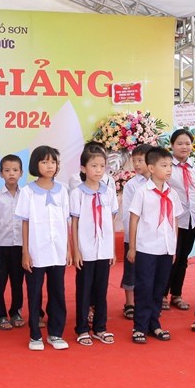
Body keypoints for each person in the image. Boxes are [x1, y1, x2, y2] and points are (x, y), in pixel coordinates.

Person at [17, 144, 71, 351]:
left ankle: (56, 333)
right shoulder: (28, 192)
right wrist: (25, 252)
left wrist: (68, 248)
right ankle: (35, 335)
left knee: (58, 291)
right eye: (44, 161)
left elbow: (65, 221)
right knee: (34, 292)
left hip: (57, 250)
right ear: (35, 164)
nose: (50, 166)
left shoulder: (63, 190)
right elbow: (25, 223)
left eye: (53, 162)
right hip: (36, 251)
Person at [129, 146, 182, 343]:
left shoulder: (172, 193)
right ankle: (140, 326)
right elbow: (134, 219)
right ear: (151, 168)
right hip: (146, 248)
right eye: (164, 165)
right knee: (144, 287)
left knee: (159, 288)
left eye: (170, 166)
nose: (168, 169)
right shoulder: (142, 192)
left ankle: (154, 324)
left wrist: (173, 247)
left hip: (166, 249)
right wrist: (132, 247)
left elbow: (174, 221)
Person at [70, 144, 117, 345]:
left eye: (102, 166)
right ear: (83, 168)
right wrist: (76, 250)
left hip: (104, 249)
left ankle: (100, 327)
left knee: (101, 290)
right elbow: (74, 223)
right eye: (94, 166)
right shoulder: (77, 193)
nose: (98, 170)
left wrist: (112, 249)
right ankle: (82, 328)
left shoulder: (109, 192)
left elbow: (111, 222)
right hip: (86, 249)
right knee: (84, 290)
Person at [164, 129, 195, 311]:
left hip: (191, 220)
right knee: (169, 258)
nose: (184, 147)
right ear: (172, 145)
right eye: (180, 143)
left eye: (188, 143)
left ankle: (177, 294)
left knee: (182, 259)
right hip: (170, 221)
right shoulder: (166, 166)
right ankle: (161, 295)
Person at [0, 154, 25, 329]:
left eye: (15, 170)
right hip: (1, 246)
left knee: (17, 282)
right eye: (7, 170)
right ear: (0, 173)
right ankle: (0, 314)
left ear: (21, 173)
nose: (11, 173)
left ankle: (15, 311)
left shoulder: (26, 195)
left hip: (20, 246)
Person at [119, 144, 152, 319]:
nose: (137, 164)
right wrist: (131, 236)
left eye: (140, 160)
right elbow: (127, 213)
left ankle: (146, 301)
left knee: (148, 270)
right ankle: (130, 303)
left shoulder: (159, 182)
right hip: (134, 235)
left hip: (152, 236)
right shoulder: (132, 185)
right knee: (131, 270)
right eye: (134, 161)